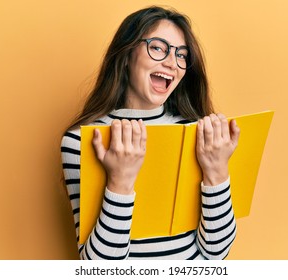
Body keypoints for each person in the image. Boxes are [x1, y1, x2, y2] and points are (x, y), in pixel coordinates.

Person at [61, 6, 240, 260]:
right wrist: (120, 180)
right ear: (126, 55)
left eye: (181, 55)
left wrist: (217, 171)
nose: (171, 63)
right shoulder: (80, 141)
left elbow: (216, 254)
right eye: (158, 47)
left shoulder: (199, 134)